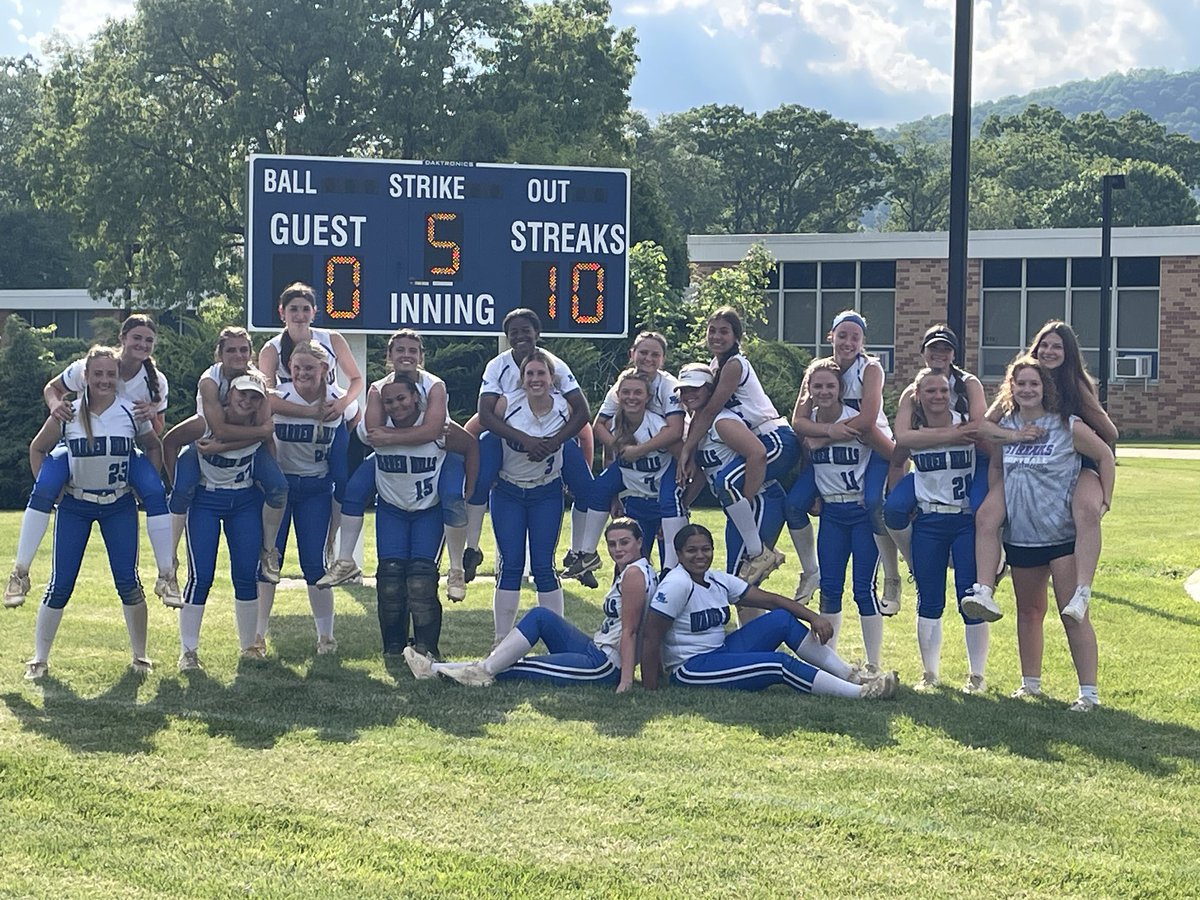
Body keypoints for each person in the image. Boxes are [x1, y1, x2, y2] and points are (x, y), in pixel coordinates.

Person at [969, 356, 1115, 711]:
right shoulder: (1006, 425)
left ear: (1044, 388)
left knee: (1072, 614)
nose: (1027, 389)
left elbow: (1104, 454)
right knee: (1029, 612)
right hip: (1022, 535)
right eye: (1021, 383)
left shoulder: (1066, 424)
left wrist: (1105, 500)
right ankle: (1030, 684)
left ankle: (1089, 693)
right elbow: (996, 465)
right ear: (1011, 387)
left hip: (1061, 536)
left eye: (1034, 383)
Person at [6, 314, 180, 609]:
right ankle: (19, 572)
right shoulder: (92, 365)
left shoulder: (156, 380)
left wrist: (151, 414)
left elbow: (155, 433)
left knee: (154, 489)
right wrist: (55, 407)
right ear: (122, 338)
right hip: (79, 444)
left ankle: (167, 574)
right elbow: (52, 389)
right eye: (136, 337)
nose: (142, 344)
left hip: (121, 449)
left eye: (149, 340)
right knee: (45, 486)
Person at [22, 347, 163, 680]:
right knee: (61, 583)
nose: (104, 380)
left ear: (118, 377)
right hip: (76, 504)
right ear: (85, 377)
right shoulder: (68, 412)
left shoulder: (130, 410)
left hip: (118, 504)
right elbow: (38, 448)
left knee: (128, 581)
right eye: (97, 374)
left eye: (110, 374)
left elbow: (153, 446)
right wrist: (51, 489)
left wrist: (144, 485)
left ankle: (140, 655)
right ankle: (39, 658)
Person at [966, 321, 1120, 624]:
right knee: (987, 516)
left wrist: (1073, 433)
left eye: (1057, 346)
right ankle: (987, 583)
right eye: (1044, 345)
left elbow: (1110, 434)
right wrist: (1014, 435)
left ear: (1068, 353)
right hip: (1026, 461)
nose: (1049, 351)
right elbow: (985, 424)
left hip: (1077, 461)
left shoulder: (1074, 385)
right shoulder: (1023, 378)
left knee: (1087, 512)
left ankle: (1082, 590)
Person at [640, 524, 899, 699]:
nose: (700, 555)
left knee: (781, 620)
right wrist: (651, 687)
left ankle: (851, 676)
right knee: (779, 663)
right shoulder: (677, 584)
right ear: (679, 554)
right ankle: (860, 693)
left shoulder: (716, 579)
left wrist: (813, 617)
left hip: (721, 651)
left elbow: (772, 601)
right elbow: (651, 634)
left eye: (705, 549)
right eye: (691, 550)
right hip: (691, 667)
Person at [322, 374, 478, 660]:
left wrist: (468, 489)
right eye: (389, 401)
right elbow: (353, 451)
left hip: (428, 509)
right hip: (392, 508)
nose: (396, 405)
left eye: (402, 398)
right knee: (390, 580)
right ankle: (393, 647)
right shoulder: (374, 428)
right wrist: (356, 485)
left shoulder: (438, 428)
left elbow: (471, 446)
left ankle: (426, 647)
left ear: (416, 397)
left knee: (421, 581)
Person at [405, 518, 657, 691]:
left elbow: (631, 632)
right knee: (540, 616)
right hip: (596, 649)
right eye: (612, 544)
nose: (617, 549)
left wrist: (626, 681)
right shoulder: (637, 569)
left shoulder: (634, 575)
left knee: (515, 664)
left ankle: (438, 669)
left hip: (604, 665)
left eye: (624, 542)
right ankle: (474, 667)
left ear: (639, 542)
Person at [323, 328, 471, 601]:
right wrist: (398, 437)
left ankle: (456, 568)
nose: (406, 355)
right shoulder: (379, 388)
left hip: (435, 454)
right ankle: (345, 560)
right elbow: (373, 432)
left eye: (413, 350)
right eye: (400, 350)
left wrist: (392, 437)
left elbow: (431, 431)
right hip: (392, 458)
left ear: (421, 357)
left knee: (452, 497)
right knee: (353, 490)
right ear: (389, 355)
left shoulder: (434, 385)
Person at [677, 308, 816, 591]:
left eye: (724, 331)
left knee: (726, 482)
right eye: (712, 330)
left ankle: (765, 553)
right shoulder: (714, 367)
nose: (716, 336)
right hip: (759, 440)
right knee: (739, 582)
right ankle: (763, 553)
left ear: (737, 337)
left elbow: (710, 411)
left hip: (775, 438)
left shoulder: (734, 365)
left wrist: (686, 450)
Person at [462, 308, 593, 586]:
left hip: (551, 438)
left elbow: (582, 413)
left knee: (587, 489)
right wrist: (524, 440)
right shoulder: (497, 366)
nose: (520, 336)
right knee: (478, 482)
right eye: (514, 332)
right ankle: (471, 548)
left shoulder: (554, 365)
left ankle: (579, 553)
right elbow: (485, 416)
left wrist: (554, 442)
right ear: (507, 337)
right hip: (506, 438)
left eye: (526, 331)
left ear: (538, 333)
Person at [789, 311, 902, 614]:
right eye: (842, 335)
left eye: (855, 337)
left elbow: (867, 420)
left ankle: (892, 575)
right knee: (795, 504)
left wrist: (824, 436)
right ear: (831, 336)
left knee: (874, 503)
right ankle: (810, 570)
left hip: (871, 446)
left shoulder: (870, 368)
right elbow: (798, 421)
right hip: (832, 453)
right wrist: (827, 433)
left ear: (863, 341)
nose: (848, 342)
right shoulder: (819, 370)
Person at [161, 327, 286, 590]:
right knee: (182, 490)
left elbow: (264, 434)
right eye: (231, 350)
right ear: (219, 353)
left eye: (244, 349)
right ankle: (168, 564)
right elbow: (219, 431)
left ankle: (268, 549)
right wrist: (175, 480)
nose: (238, 355)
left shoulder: (258, 381)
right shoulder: (210, 380)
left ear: (251, 352)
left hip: (241, 447)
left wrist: (228, 447)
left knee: (279, 487)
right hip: (206, 434)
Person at [256, 282, 364, 579]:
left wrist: (341, 404)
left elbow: (356, 380)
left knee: (342, 479)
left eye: (305, 309)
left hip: (331, 415)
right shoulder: (272, 348)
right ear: (282, 312)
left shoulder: (332, 339)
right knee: (274, 480)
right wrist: (307, 412)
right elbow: (265, 396)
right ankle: (269, 550)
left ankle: (334, 543)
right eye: (294, 309)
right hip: (291, 423)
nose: (300, 315)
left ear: (314, 312)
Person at [255, 340, 357, 655]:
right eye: (297, 367)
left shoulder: (340, 402)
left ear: (325, 369)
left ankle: (326, 636)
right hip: (279, 490)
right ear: (289, 367)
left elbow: (342, 461)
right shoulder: (279, 395)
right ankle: (257, 635)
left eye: (309, 368)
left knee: (315, 564)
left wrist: (336, 521)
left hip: (315, 489)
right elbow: (265, 406)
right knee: (268, 561)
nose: (302, 373)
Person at [892, 368, 990, 693]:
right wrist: (899, 495)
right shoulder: (914, 431)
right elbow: (897, 459)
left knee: (969, 597)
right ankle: (929, 673)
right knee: (929, 599)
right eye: (930, 391)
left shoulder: (967, 423)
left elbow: (992, 451)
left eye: (943, 390)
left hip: (964, 520)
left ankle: (977, 675)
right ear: (918, 396)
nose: (938, 396)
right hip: (929, 519)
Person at [176, 374, 273, 670]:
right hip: (206, 499)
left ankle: (249, 646)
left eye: (254, 397)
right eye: (242, 394)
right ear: (228, 394)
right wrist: (177, 485)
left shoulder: (260, 427)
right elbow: (171, 443)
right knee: (200, 576)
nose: (247, 401)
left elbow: (271, 461)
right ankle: (188, 651)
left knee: (245, 574)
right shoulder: (206, 422)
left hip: (243, 500)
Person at [798, 358, 886, 671]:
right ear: (809, 390)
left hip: (860, 512)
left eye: (830, 386)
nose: (824, 391)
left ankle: (873, 663)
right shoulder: (808, 423)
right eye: (818, 386)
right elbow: (808, 461)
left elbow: (892, 453)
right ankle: (829, 661)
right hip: (832, 513)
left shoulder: (857, 421)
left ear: (841, 388)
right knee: (831, 588)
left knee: (864, 588)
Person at [482, 350, 576, 642]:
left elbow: (583, 432)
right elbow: (482, 431)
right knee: (510, 564)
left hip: (546, 490)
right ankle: (501, 639)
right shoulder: (507, 403)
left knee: (544, 565)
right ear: (521, 379)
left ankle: (558, 638)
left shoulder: (564, 407)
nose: (536, 379)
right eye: (529, 374)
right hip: (508, 489)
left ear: (552, 378)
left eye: (541, 373)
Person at [882, 324, 991, 569]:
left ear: (954, 354)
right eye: (934, 348)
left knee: (980, 508)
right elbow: (903, 437)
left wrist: (924, 435)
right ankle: (915, 561)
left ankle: (993, 562)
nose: (939, 354)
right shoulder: (914, 390)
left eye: (946, 349)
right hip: (931, 462)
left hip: (970, 460)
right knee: (894, 508)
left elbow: (977, 429)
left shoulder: (969, 383)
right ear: (923, 352)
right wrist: (950, 435)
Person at [578, 331, 688, 572]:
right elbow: (600, 426)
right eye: (643, 352)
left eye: (655, 354)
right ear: (632, 354)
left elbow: (675, 432)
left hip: (668, 455)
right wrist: (619, 448)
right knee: (599, 488)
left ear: (663, 359)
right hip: (633, 462)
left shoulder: (668, 388)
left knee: (669, 502)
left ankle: (671, 569)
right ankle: (586, 553)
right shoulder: (624, 383)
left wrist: (638, 450)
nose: (648, 358)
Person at [676, 363, 786, 593]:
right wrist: (683, 506)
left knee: (741, 583)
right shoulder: (695, 424)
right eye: (684, 389)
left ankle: (760, 553)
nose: (689, 394)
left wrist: (746, 498)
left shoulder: (722, 421)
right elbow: (704, 474)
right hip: (736, 509)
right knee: (739, 582)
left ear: (710, 390)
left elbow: (757, 454)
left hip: (761, 500)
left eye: (695, 388)